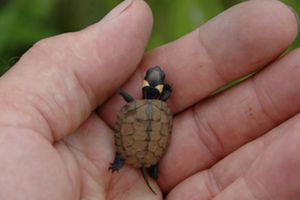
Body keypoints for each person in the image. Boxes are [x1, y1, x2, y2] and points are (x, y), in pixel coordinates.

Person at [0, 0, 299, 199]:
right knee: (145, 161)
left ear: (144, 87)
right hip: (151, 145)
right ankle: (147, 170)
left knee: (133, 154)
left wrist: (119, 95)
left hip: (133, 142)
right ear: (155, 89)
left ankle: (122, 163)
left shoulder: (133, 102)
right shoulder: (162, 104)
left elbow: (128, 107)